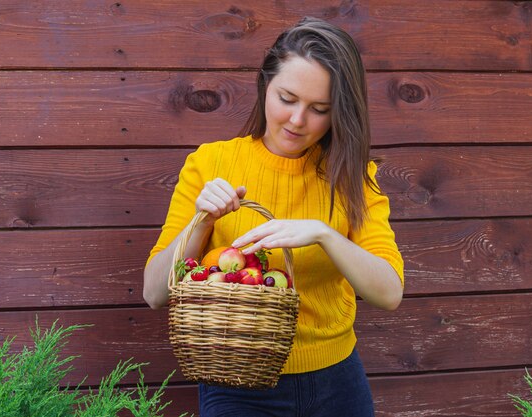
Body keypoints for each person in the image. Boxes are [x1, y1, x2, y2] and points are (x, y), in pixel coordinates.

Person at [143, 16, 404, 417]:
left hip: (337, 382)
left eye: (320, 109)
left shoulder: (354, 176)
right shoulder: (211, 163)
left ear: (340, 113)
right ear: (265, 85)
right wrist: (203, 221)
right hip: (236, 384)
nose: (298, 121)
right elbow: (154, 293)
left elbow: (389, 292)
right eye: (287, 98)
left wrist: (325, 235)